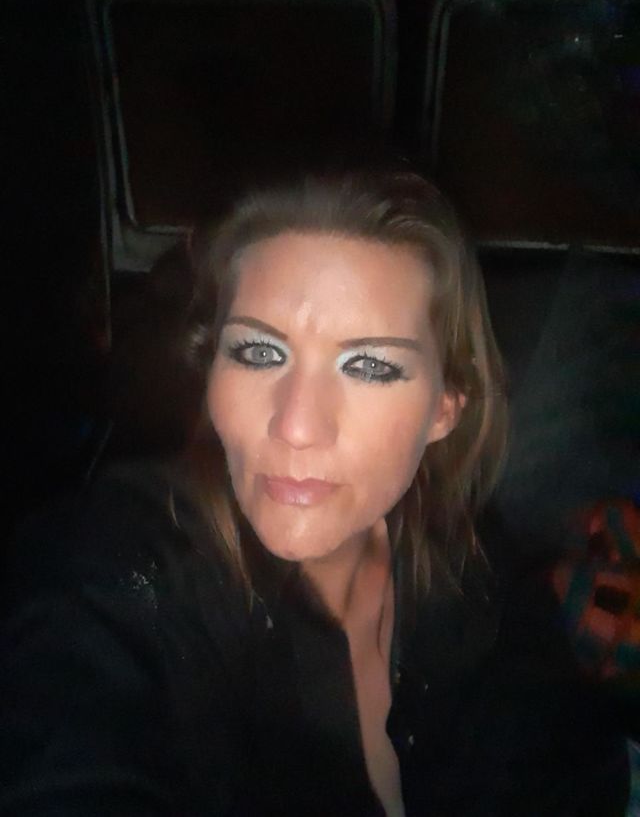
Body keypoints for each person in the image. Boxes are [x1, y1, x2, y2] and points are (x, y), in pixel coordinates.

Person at [0, 168, 632, 816]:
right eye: (258, 353)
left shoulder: (472, 560)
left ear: (445, 408)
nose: (297, 425)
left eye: (370, 365)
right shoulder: (111, 565)